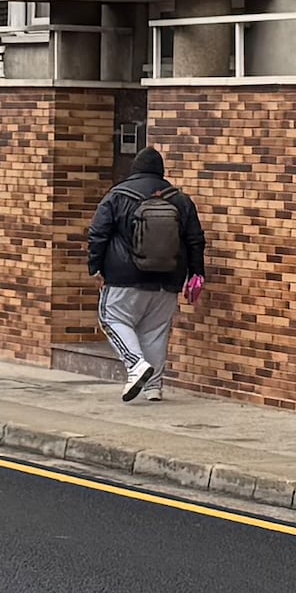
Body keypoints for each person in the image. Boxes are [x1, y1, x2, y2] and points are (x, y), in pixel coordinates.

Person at [84, 140, 209, 401]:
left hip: (123, 277)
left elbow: (98, 234)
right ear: (161, 171)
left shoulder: (117, 195)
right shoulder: (181, 199)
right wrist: (196, 273)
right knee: (156, 330)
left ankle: (135, 365)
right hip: (169, 278)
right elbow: (195, 239)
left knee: (112, 318)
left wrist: (96, 267)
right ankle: (153, 387)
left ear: (134, 169)